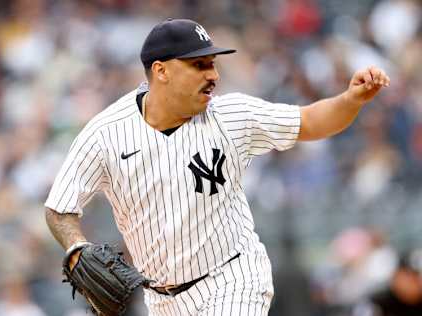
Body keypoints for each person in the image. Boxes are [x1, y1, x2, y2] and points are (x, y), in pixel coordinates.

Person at [45, 18, 390, 315]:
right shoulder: (106, 133)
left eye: (212, 63)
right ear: (160, 70)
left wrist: (350, 100)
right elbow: (60, 209)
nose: (213, 75)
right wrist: (76, 248)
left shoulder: (231, 116)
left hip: (233, 277)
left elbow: (310, 121)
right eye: (199, 65)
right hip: (161, 299)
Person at [352, 251, 422, 316]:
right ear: (396, 277)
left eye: (417, 276)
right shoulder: (377, 302)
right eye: (410, 277)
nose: (416, 282)